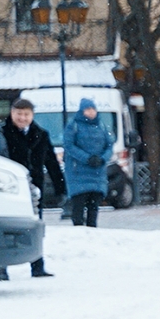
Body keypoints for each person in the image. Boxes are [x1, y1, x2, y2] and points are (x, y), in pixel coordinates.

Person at [3, 96, 61, 278]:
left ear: (32, 115)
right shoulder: (1, 133)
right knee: (5, 226)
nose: (22, 118)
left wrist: (60, 188)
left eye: (26, 114)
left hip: (33, 189)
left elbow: (51, 161)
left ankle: (37, 265)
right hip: (7, 188)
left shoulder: (41, 134)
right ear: (12, 113)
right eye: (19, 114)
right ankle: (0, 268)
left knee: (35, 227)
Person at [60, 98, 111, 228]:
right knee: (78, 206)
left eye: (93, 109)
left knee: (94, 208)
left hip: (97, 174)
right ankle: (79, 234)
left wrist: (102, 158)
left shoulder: (102, 126)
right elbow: (69, 146)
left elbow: (110, 145)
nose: (91, 112)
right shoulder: (73, 125)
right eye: (88, 109)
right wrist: (87, 158)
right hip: (78, 174)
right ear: (82, 111)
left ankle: (92, 232)